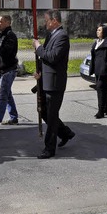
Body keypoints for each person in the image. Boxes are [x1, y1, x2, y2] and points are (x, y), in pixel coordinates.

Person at [33, 10, 75, 159]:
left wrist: (38, 48)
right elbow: (44, 59)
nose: (45, 23)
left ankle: (49, 149)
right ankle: (65, 133)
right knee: (43, 111)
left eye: (47, 20)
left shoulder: (62, 37)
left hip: (55, 83)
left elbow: (52, 57)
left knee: (51, 116)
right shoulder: (51, 35)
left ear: (55, 21)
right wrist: (40, 72)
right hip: (46, 80)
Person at [0, 15, 19, 129]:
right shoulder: (1, 35)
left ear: (7, 23)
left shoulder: (10, 36)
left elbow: (6, 52)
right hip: (3, 70)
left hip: (9, 70)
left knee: (3, 95)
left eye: (0, 22)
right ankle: (14, 117)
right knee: (7, 94)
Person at [90, 24, 107, 118]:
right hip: (97, 69)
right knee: (103, 89)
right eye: (97, 30)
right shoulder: (96, 42)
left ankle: (100, 111)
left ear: (104, 32)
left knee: (100, 89)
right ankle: (106, 109)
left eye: (100, 30)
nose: (97, 31)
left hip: (103, 70)